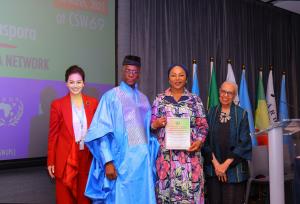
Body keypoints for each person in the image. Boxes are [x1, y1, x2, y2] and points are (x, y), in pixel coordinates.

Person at [84, 55, 159, 204]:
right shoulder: (111, 97)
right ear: (122, 71)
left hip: (142, 165)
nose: (131, 74)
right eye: (128, 71)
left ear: (139, 74)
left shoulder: (143, 99)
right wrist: (108, 162)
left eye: (135, 72)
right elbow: (101, 133)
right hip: (120, 163)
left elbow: (143, 132)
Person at [151, 64, 208, 203]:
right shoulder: (160, 99)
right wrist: (156, 124)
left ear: (186, 79)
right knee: (166, 196)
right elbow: (151, 125)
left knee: (190, 195)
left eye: (181, 75)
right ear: (169, 79)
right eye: (173, 75)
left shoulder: (195, 100)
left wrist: (199, 141)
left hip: (190, 157)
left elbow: (203, 126)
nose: (177, 78)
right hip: (166, 159)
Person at [47, 65, 98, 204]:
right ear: (66, 83)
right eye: (71, 82)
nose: (75, 85)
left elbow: (97, 131)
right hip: (65, 156)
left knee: (84, 197)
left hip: (86, 155)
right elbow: (53, 135)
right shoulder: (58, 104)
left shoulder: (93, 103)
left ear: (84, 83)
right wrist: (51, 160)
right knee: (64, 197)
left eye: (78, 82)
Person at [202, 81, 252, 204]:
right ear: (219, 93)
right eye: (223, 91)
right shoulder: (210, 112)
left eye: (229, 93)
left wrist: (224, 166)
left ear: (234, 95)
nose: (225, 95)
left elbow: (244, 143)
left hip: (234, 171)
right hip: (214, 169)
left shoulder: (242, 114)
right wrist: (217, 166)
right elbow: (204, 141)